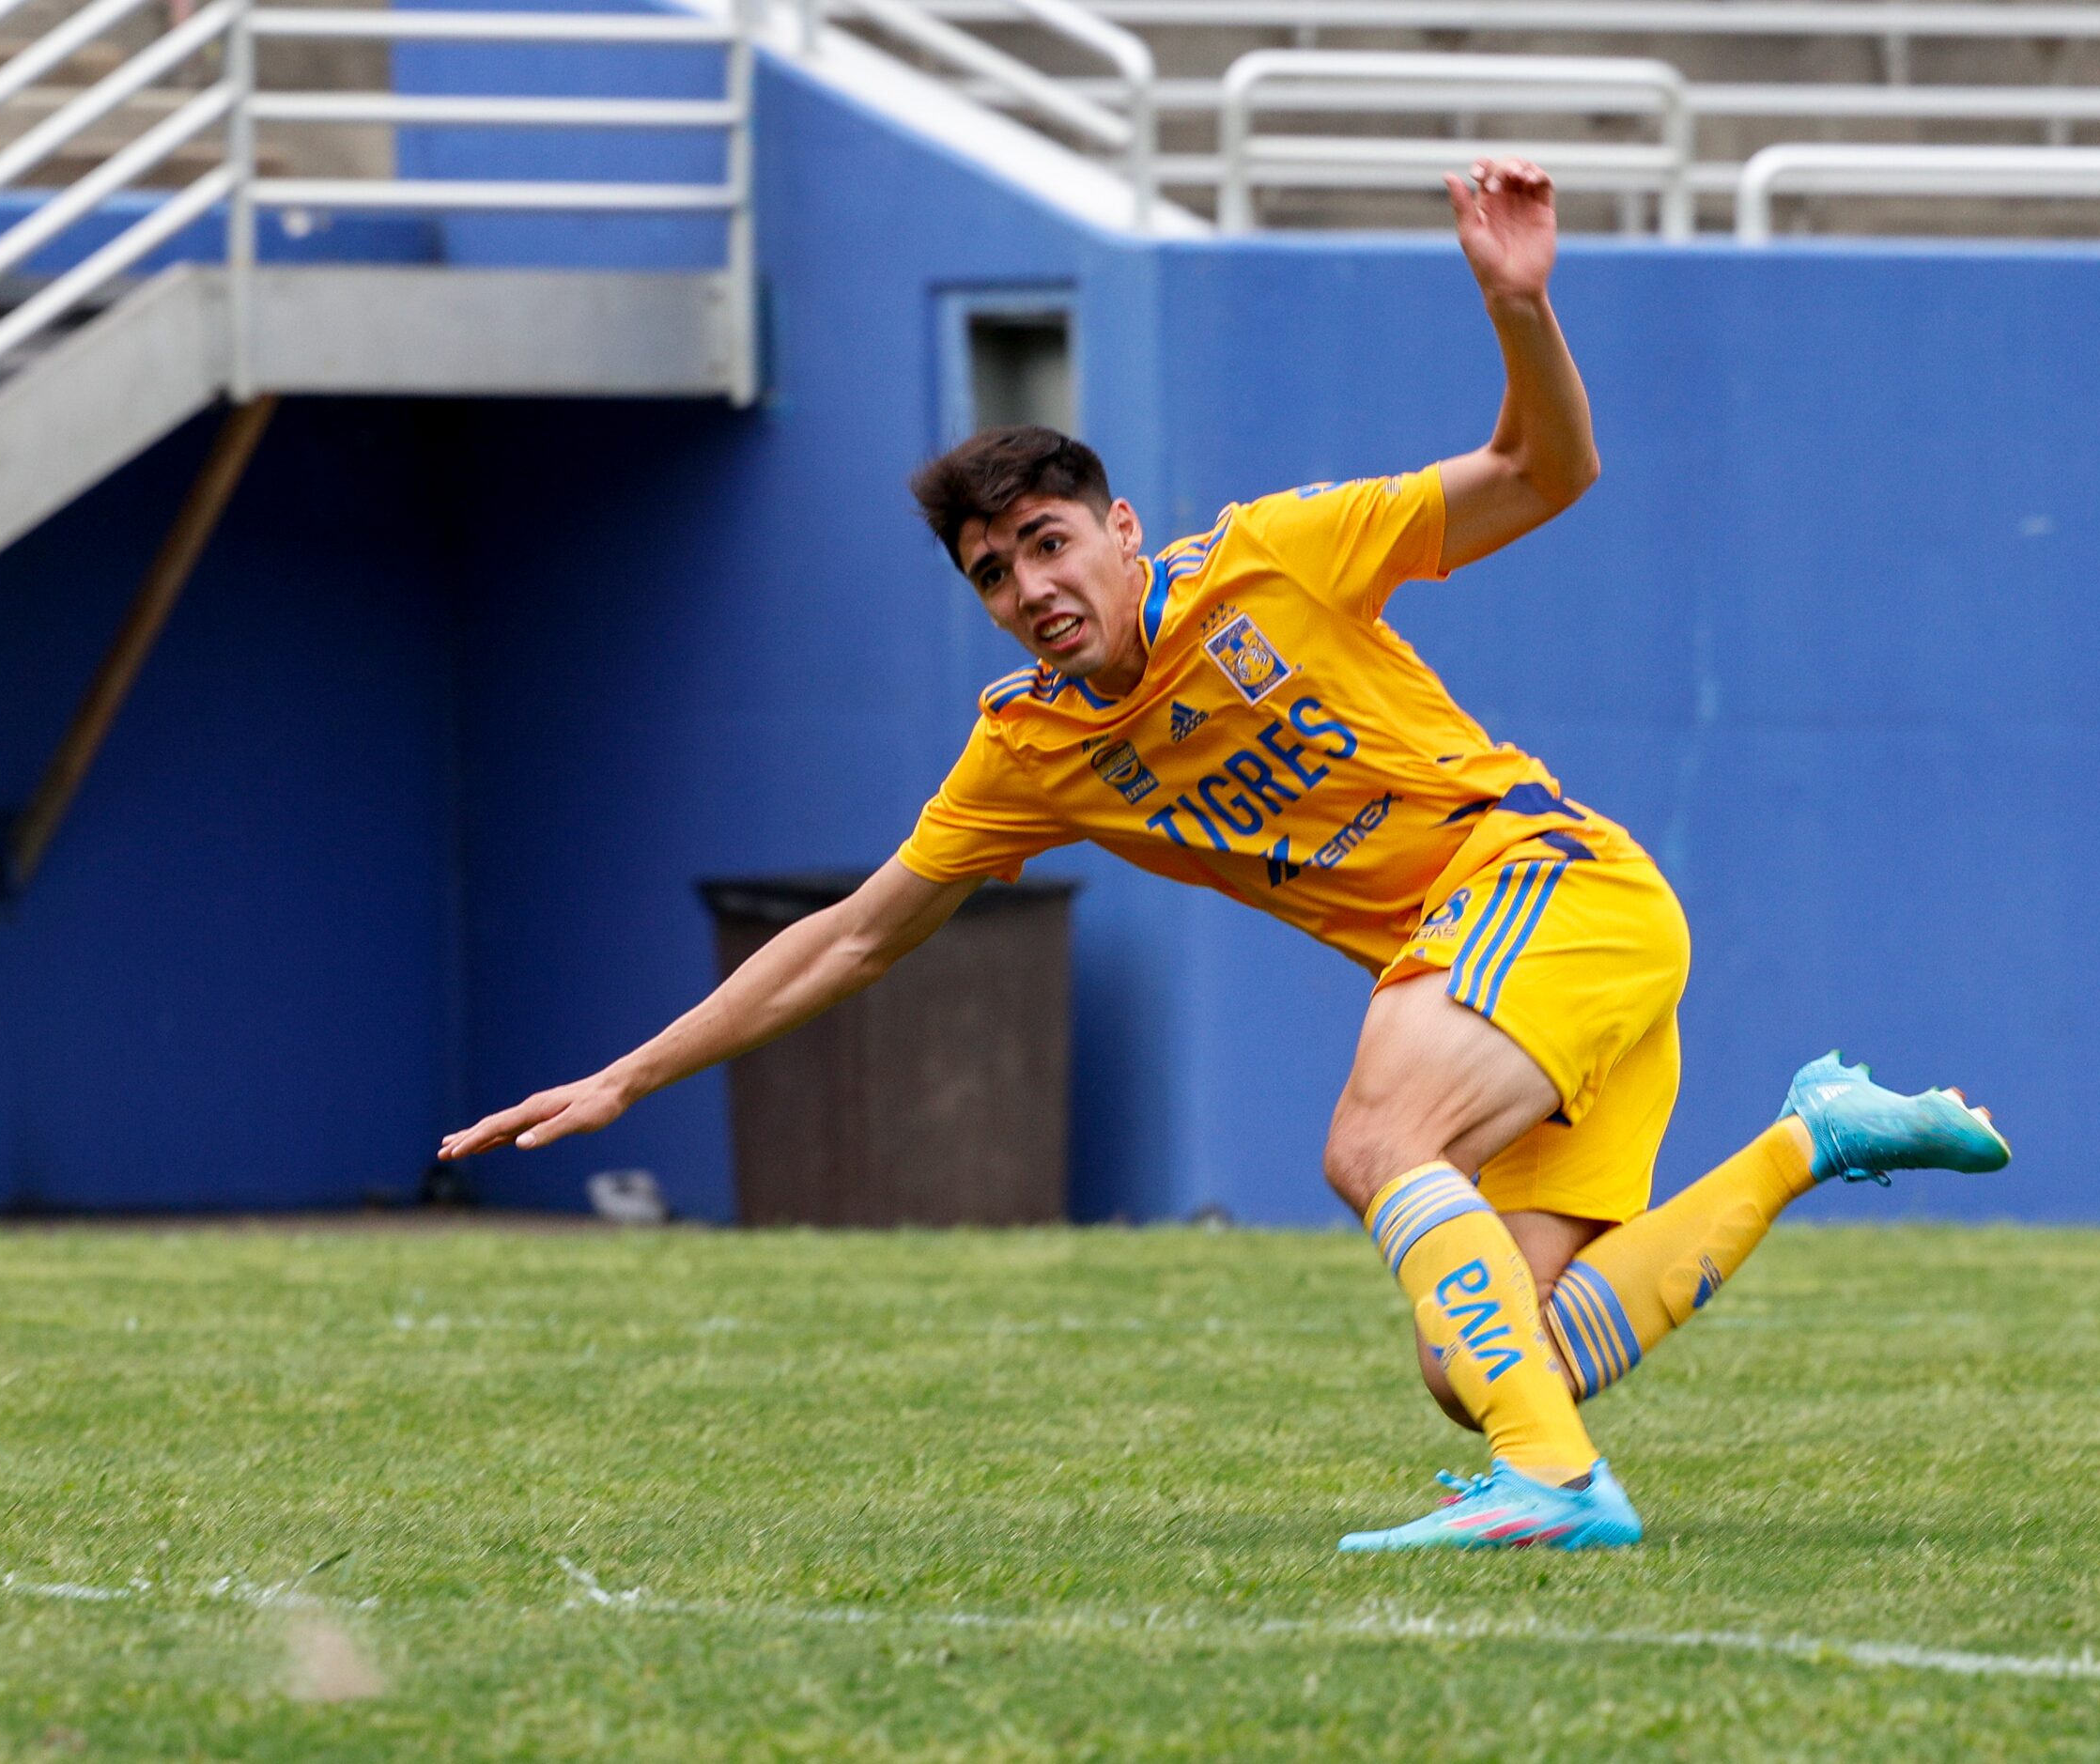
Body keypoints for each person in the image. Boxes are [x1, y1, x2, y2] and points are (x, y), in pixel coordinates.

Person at [438, 158, 2010, 1552]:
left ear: (1124, 533)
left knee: (1373, 1144)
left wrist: (1517, 310)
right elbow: (853, 935)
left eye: (1048, 544)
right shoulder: (1031, 748)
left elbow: (1547, 473)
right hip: (1508, 966)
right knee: (1482, 1359)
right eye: (992, 572)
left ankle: (1565, 1489)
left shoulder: (1270, 557)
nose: (1029, 586)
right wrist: (633, 1076)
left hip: (1545, 880)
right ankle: (1809, 1140)